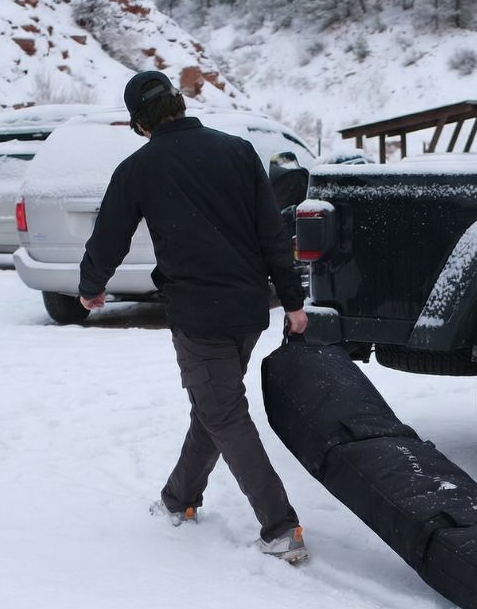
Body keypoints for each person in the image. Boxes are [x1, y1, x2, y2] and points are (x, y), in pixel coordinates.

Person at [78, 70, 309, 563]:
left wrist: (91, 287)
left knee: (222, 411)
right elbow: (272, 232)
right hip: (249, 312)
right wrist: (291, 300)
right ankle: (178, 499)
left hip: (199, 316)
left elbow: (109, 235)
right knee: (214, 406)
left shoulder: (139, 168)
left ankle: (280, 526)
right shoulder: (237, 151)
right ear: (178, 104)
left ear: (140, 122)